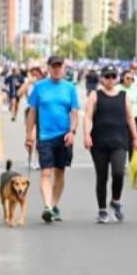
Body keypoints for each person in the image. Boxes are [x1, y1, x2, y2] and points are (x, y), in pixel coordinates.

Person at [25, 56, 81, 223]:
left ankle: (54, 204)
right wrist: (29, 135)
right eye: (54, 66)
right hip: (44, 137)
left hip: (63, 136)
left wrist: (72, 131)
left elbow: (74, 113)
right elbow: (32, 112)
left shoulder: (70, 88)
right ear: (48, 68)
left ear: (64, 68)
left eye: (59, 66)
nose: (57, 69)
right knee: (45, 173)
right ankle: (47, 207)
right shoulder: (39, 87)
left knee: (60, 173)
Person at [84, 67, 137, 223]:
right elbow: (88, 117)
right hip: (99, 142)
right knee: (101, 176)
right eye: (107, 76)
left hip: (120, 141)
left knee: (118, 172)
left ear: (117, 78)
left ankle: (116, 201)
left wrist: (136, 137)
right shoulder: (95, 95)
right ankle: (102, 210)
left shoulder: (124, 96)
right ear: (102, 78)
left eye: (113, 76)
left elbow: (130, 118)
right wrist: (86, 135)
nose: (110, 79)